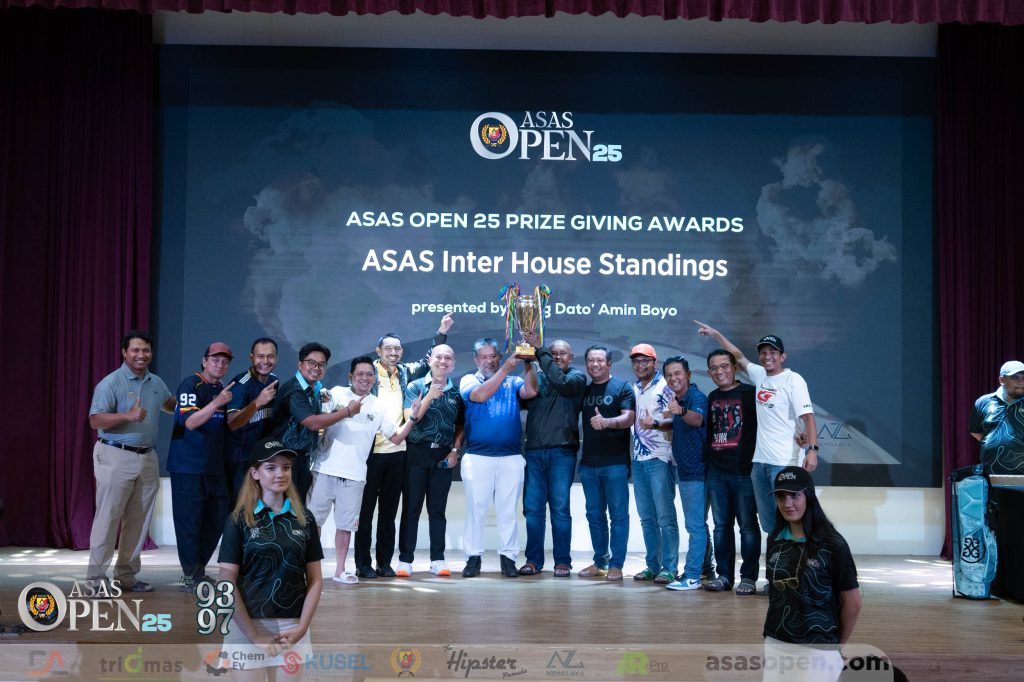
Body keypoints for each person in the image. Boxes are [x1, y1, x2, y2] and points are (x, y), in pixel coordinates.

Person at [695, 322, 818, 536]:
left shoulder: (793, 379)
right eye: (763, 352)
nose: (767, 356)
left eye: (773, 352)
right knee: (769, 523)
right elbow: (738, 356)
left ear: (783, 356)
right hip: (759, 463)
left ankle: (797, 556)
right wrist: (716, 334)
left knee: (791, 519)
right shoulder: (760, 375)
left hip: (784, 461)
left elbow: (808, 417)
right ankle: (777, 556)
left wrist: (812, 450)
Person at [218, 438, 324, 682]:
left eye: (286, 467)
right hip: (245, 624)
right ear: (255, 473)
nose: (280, 474)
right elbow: (226, 581)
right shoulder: (238, 520)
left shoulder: (305, 519)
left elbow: (315, 579)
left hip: (292, 627)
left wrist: (302, 627)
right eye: (271, 467)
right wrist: (254, 635)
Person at [357, 314, 453, 579]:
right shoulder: (367, 373)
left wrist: (441, 331)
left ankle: (384, 563)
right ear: (378, 351)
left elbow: (430, 358)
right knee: (365, 513)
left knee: (389, 514)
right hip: (368, 453)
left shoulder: (406, 372)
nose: (393, 352)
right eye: (388, 348)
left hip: (399, 452)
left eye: (397, 348)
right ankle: (362, 563)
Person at [308, 356, 414, 584]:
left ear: (374, 378)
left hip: (355, 476)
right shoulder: (336, 394)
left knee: (345, 527)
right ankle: (311, 571)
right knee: (314, 523)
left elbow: (396, 438)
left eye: (369, 374)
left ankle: (340, 570)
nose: (365, 378)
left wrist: (413, 418)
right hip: (324, 469)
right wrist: (339, 407)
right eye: (360, 374)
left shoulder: (379, 405)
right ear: (351, 377)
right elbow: (320, 420)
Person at [86, 330, 175, 592]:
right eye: (135, 350)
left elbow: (169, 405)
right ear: (124, 352)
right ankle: (95, 580)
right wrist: (127, 415)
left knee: (138, 521)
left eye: (146, 350)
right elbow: (95, 420)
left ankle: (126, 577)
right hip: (115, 455)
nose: (141, 355)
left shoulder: (156, 382)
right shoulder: (110, 383)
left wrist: (194, 401)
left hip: (147, 458)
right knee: (107, 519)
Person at [763, 466, 861, 682]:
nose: (787, 503)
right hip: (776, 642)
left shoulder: (832, 544)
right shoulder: (774, 540)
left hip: (817, 647)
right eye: (781, 496)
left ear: (809, 496)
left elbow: (853, 604)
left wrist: (835, 646)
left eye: (795, 495)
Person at [459, 338, 538, 578]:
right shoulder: (469, 380)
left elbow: (531, 391)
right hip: (477, 456)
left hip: (511, 457)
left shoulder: (513, 381)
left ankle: (508, 558)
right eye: (484, 357)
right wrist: (506, 369)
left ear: (499, 357)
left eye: (493, 356)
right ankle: (473, 558)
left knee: (508, 511)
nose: (489, 361)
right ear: (476, 359)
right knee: (476, 509)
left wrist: (527, 362)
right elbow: (480, 396)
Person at [168, 342, 236, 591]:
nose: (220, 364)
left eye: (225, 361)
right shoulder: (190, 384)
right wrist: (217, 403)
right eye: (215, 359)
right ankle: (191, 576)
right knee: (189, 523)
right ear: (204, 361)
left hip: (214, 467)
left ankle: (198, 571)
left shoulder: (221, 388)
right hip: (188, 465)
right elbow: (190, 422)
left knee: (217, 520)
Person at [396, 344, 465, 577]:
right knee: (411, 508)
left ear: (453, 364)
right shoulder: (415, 386)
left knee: (437, 510)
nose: (443, 361)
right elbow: (411, 418)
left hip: (442, 456)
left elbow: (460, 425)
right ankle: (405, 560)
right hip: (416, 453)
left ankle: (438, 559)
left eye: (448, 358)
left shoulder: (456, 393)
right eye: (439, 357)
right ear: (430, 360)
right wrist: (429, 396)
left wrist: (455, 451)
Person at [520, 334, 586, 578]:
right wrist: (527, 362)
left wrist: (540, 350)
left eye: (562, 353)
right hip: (534, 452)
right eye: (553, 353)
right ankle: (533, 560)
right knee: (533, 510)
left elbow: (560, 381)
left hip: (562, 452)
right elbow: (524, 396)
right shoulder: (538, 378)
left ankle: (563, 562)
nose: (557, 357)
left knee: (559, 509)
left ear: (571, 357)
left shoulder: (576, 378)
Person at [266, 342, 357, 501]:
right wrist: (347, 411)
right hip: (284, 459)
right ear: (300, 365)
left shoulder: (314, 388)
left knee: (298, 507)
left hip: (301, 458)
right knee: (284, 507)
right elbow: (312, 423)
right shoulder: (294, 390)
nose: (317, 367)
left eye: (321, 364)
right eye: (312, 363)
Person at [703, 349, 761, 595]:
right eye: (714, 368)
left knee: (747, 526)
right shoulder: (712, 396)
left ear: (734, 367)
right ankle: (724, 576)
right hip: (717, 472)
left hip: (744, 471)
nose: (720, 371)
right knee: (721, 526)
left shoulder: (750, 393)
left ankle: (748, 578)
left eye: (724, 366)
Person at [578, 345, 635, 582]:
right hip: (588, 463)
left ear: (609, 363)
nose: (595, 364)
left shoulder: (622, 387)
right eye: (591, 360)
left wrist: (607, 422)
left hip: (615, 463)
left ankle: (617, 564)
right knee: (594, 515)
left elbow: (629, 418)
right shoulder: (584, 389)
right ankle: (600, 561)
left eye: (600, 360)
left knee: (618, 516)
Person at [628, 343, 679, 585]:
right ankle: (652, 565)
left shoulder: (665, 386)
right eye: (636, 361)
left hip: (660, 457)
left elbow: (676, 420)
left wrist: (655, 424)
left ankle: (669, 568)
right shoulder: (634, 388)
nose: (640, 365)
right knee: (647, 518)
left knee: (665, 518)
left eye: (645, 361)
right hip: (638, 460)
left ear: (654, 363)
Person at [660, 356, 709, 592]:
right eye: (669, 375)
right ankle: (703, 569)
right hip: (689, 471)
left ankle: (692, 576)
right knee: (699, 525)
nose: (673, 378)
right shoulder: (679, 399)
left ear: (688, 374)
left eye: (677, 373)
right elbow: (679, 422)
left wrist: (679, 411)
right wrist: (655, 424)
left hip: (696, 471)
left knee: (695, 526)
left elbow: (697, 419)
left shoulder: (695, 397)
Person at [225, 338, 280, 501]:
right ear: (251, 358)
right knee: (239, 507)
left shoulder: (274, 381)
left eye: (270, 356)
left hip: (260, 457)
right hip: (238, 459)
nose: (265, 361)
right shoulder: (241, 383)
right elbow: (232, 423)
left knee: (258, 506)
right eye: (260, 356)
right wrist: (257, 402)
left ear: (276, 359)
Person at [969, 360, 1024, 474]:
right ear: (1002, 380)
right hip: (991, 473)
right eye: (1015, 377)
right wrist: (994, 441)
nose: (1021, 382)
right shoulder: (983, 402)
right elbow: (975, 431)